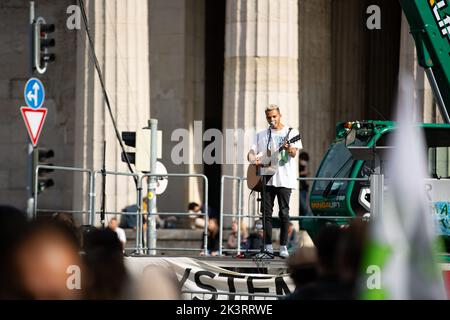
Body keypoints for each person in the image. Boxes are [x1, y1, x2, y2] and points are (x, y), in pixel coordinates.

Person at [248, 104, 302, 258]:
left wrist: (288, 148)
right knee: (266, 214)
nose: (272, 119)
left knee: (284, 213)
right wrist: (254, 160)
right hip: (266, 177)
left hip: (285, 178)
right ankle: (268, 245)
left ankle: (284, 246)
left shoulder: (292, 132)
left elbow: (293, 153)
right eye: (269, 117)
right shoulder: (261, 134)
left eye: (274, 116)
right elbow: (251, 153)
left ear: (280, 115)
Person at [299, 151, 312, 216]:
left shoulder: (303, 166)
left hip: (304, 189)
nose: (304, 162)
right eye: (304, 160)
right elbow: (296, 174)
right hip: (300, 189)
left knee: (304, 207)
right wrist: (303, 173)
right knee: (304, 208)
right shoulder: (297, 165)